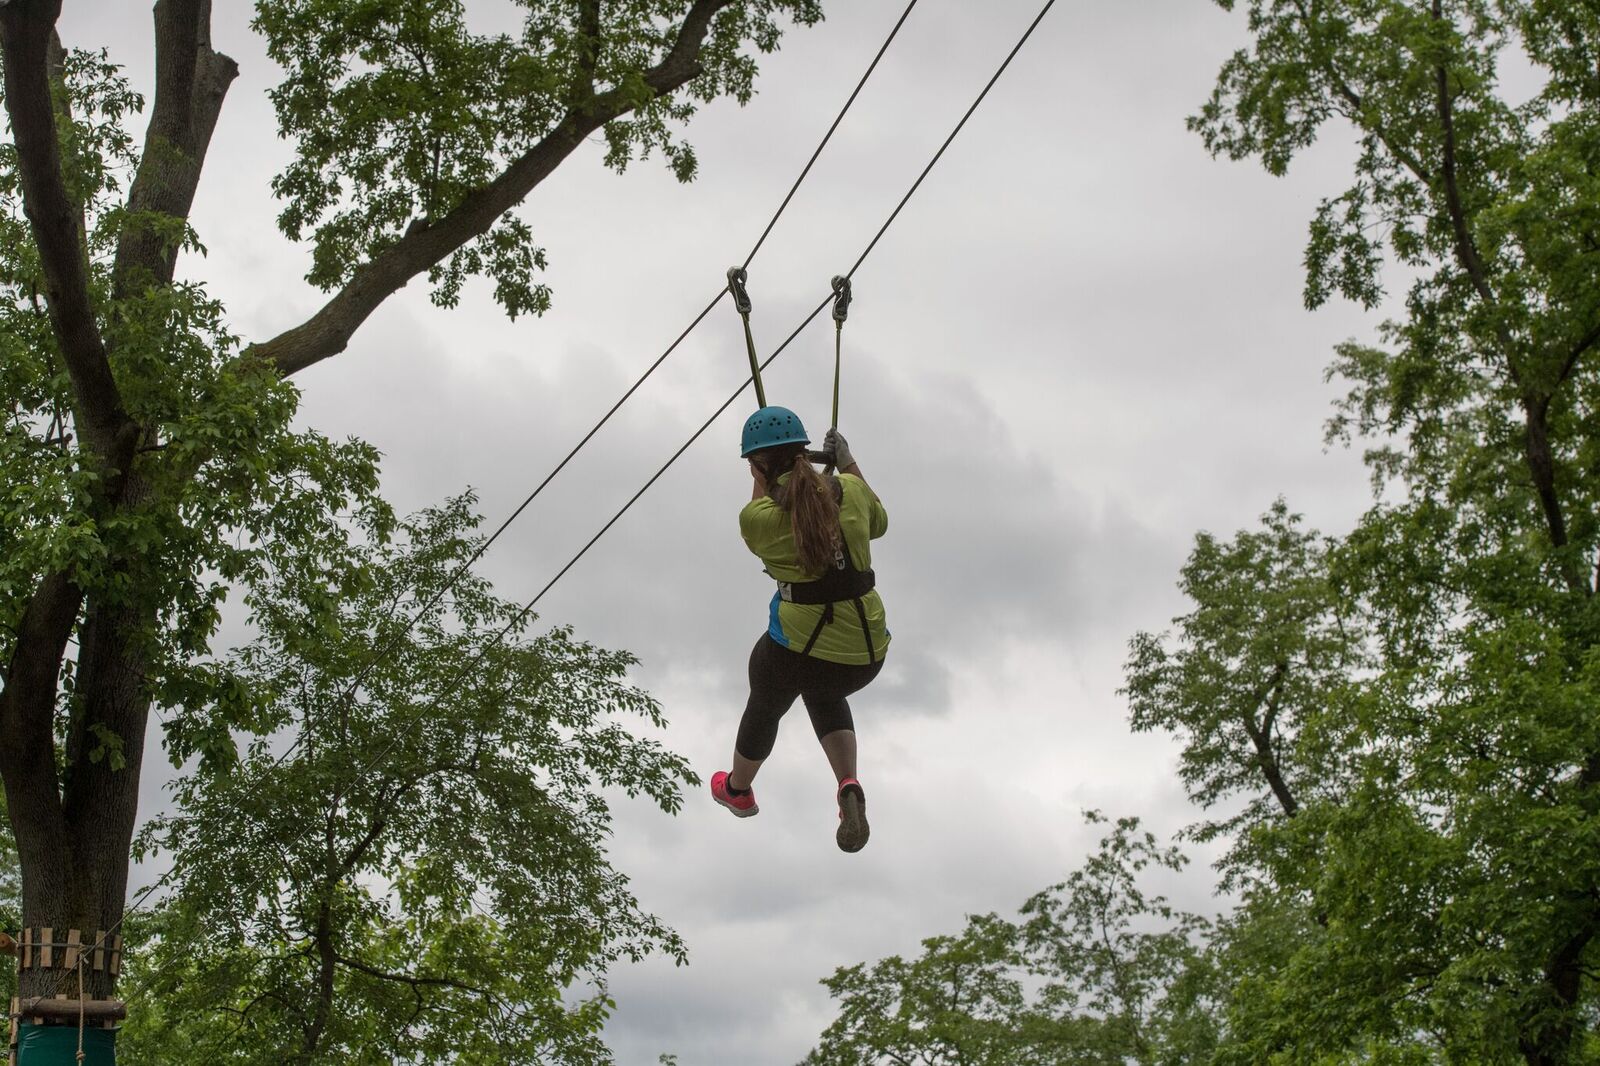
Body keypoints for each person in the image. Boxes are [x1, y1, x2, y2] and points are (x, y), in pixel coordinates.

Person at [710, 405, 890, 853]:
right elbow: (880, 521)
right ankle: (847, 781)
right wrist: (845, 460)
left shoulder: (758, 522)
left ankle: (738, 787)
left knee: (767, 683)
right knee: (822, 686)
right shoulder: (850, 490)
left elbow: (762, 509)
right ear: (803, 454)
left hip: (804, 654)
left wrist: (766, 474)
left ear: (756, 466)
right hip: (866, 655)